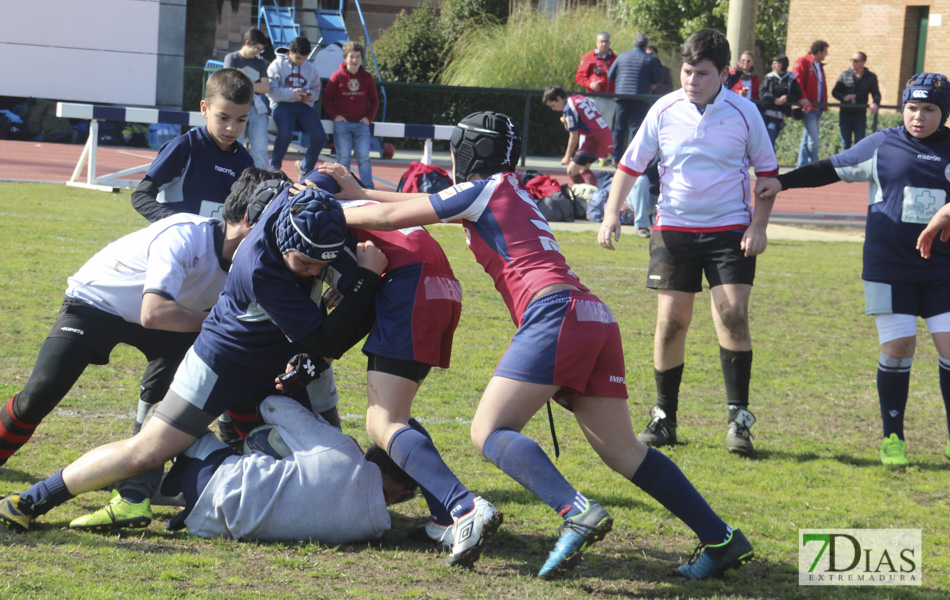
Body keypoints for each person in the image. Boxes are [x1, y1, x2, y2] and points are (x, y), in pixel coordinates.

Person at [319, 110, 754, 580]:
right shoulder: (512, 188)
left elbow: (389, 216)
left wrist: (312, 207)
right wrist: (361, 193)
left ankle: (575, 511)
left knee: (488, 432)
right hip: (592, 314)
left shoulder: (482, 190)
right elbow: (418, 201)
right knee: (625, 452)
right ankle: (721, 537)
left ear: (468, 152)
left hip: (554, 313)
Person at [0, 190, 383, 539]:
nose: (315, 271)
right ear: (284, 240)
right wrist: (363, 277)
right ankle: (31, 500)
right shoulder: (261, 269)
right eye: (307, 262)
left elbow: (305, 190)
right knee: (145, 452)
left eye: (322, 264)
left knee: (332, 453)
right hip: (222, 361)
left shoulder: (291, 209)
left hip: (280, 362)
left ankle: (227, 502)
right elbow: (326, 340)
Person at [0, 168, 291, 507]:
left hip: (178, 318)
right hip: (98, 306)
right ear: (249, 217)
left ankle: (141, 482)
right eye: (278, 221)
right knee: (41, 391)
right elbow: (153, 313)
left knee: (205, 388)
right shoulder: (185, 236)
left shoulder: (260, 259)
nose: (284, 233)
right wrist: (223, 325)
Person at [301, 169, 497, 567]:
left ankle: (463, 506)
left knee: (382, 421)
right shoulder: (363, 206)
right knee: (396, 414)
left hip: (408, 286)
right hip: (438, 286)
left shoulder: (326, 214)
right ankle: (445, 512)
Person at [598, 28, 779, 457]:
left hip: (729, 231)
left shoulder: (744, 112)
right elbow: (630, 166)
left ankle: (739, 421)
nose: (690, 80)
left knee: (733, 315)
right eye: (686, 71)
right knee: (671, 323)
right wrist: (611, 214)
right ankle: (664, 418)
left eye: (701, 73)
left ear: (723, 74)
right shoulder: (663, 109)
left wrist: (758, 226)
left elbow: (767, 178)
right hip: (673, 230)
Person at [762, 73, 950, 467]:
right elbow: (830, 168)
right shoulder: (883, 143)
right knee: (899, 349)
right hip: (889, 267)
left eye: (929, 109)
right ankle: (892, 438)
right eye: (912, 108)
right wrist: (783, 182)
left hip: (943, 270)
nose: (918, 116)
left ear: (944, 112)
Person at [163, 395, 418, 543]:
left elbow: (273, 405)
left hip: (221, 480)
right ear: (401, 495)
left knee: (168, 421)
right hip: (210, 525)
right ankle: (144, 489)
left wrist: (325, 429)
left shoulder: (341, 450)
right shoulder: (375, 528)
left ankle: (133, 493)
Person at [131, 68, 254, 223]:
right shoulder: (183, 148)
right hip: (179, 244)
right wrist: (180, 225)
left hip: (218, 247)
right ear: (204, 109)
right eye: (223, 118)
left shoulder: (246, 163)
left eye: (241, 120)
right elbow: (140, 196)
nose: (232, 127)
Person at [322, 41, 379, 189]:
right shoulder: (337, 76)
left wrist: (369, 117)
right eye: (351, 56)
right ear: (345, 58)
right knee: (343, 158)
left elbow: (374, 100)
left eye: (358, 56)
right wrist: (335, 116)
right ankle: (342, 187)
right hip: (343, 124)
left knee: (364, 158)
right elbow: (327, 99)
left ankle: (368, 188)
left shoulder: (367, 77)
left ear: (361, 59)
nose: (354, 60)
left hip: (362, 124)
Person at [268, 36, 327, 175]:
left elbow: (316, 89)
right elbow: (271, 91)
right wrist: (290, 94)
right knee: (285, 134)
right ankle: (274, 168)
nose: (301, 61)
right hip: (282, 105)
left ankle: (305, 167)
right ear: (290, 52)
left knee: (320, 136)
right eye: (298, 57)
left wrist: (309, 96)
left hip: (304, 106)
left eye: (304, 58)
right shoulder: (277, 65)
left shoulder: (310, 68)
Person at [541, 85, 613, 188]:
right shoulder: (577, 98)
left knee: (571, 170)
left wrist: (567, 156)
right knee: (583, 168)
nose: (553, 109)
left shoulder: (568, 109)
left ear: (558, 98)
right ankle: (594, 192)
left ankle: (585, 195)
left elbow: (574, 136)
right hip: (605, 134)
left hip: (594, 138)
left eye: (553, 105)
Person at [606, 34, 663, 163]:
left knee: (619, 128)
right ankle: (630, 159)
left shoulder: (621, 56)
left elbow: (611, 75)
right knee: (635, 128)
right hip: (641, 97)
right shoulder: (649, 59)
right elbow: (657, 78)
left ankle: (615, 157)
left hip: (621, 96)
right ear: (646, 46)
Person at [224, 28, 272, 168]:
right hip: (236, 108)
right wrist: (255, 85)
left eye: (260, 50)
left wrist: (243, 80)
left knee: (260, 149)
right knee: (234, 145)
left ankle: (261, 181)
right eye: (256, 49)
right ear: (247, 43)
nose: (258, 53)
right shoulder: (232, 58)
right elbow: (230, 83)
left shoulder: (260, 61)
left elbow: (265, 88)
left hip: (257, 108)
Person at [575, 31, 617, 154]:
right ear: (596, 43)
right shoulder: (588, 57)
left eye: (606, 41)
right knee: (589, 127)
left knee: (606, 129)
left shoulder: (615, 58)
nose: (604, 44)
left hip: (610, 100)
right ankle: (582, 154)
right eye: (601, 41)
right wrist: (590, 84)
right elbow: (579, 77)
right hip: (593, 99)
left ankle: (602, 156)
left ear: (610, 42)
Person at [832, 51, 881, 151]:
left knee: (860, 143)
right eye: (851, 60)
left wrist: (875, 103)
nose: (852, 62)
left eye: (856, 60)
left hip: (860, 115)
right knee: (845, 144)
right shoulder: (844, 75)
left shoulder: (871, 77)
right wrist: (844, 97)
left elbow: (876, 93)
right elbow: (835, 92)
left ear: (863, 62)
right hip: (845, 114)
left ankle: (858, 166)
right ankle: (844, 166)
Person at [792, 40, 830, 167]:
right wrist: (802, 97)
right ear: (819, 51)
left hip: (817, 107)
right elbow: (796, 81)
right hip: (809, 107)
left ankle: (802, 166)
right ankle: (814, 165)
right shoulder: (803, 62)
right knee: (814, 139)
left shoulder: (818, 65)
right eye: (825, 51)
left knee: (806, 138)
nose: (826, 54)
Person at [759, 54, 802, 148]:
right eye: (773, 63)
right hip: (765, 114)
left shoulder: (791, 79)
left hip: (778, 116)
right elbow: (762, 93)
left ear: (783, 64)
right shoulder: (769, 78)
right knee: (759, 139)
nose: (773, 66)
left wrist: (786, 97)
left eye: (776, 63)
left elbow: (797, 94)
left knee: (771, 136)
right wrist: (774, 99)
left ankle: (769, 162)